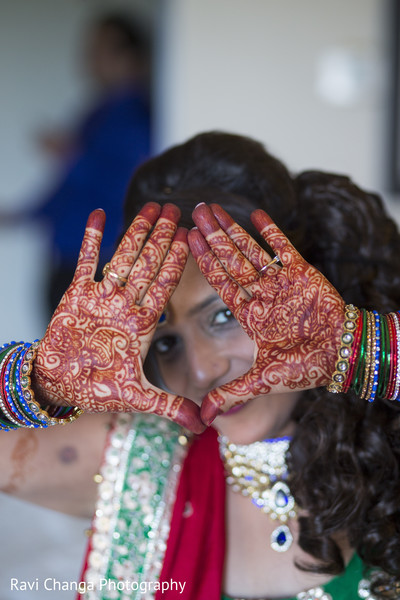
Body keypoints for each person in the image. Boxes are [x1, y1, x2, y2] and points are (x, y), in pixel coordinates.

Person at [2, 131, 400, 600]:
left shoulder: (387, 450)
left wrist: (366, 350)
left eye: (224, 316)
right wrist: (37, 381)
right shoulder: (145, 460)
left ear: (311, 294)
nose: (203, 369)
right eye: (166, 342)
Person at [0, 12, 152, 315]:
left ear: (129, 56)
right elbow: (69, 188)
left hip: (101, 259)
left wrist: (72, 154)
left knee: (87, 355)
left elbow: (130, 185)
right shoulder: (97, 112)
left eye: (100, 48)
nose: (89, 57)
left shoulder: (136, 116)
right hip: (69, 256)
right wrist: (21, 215)